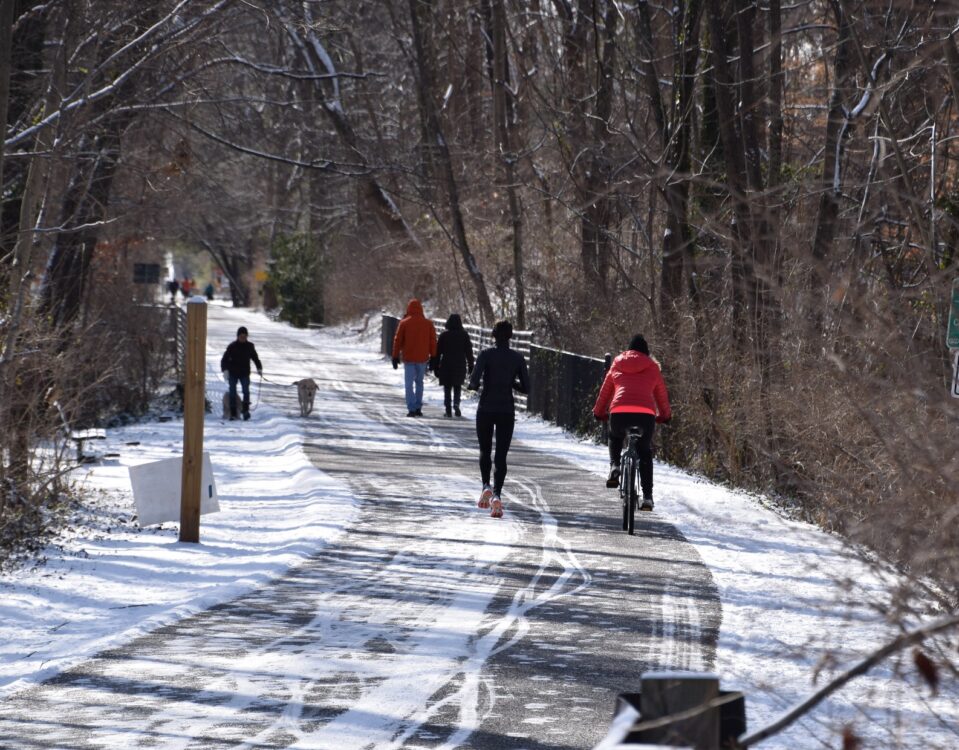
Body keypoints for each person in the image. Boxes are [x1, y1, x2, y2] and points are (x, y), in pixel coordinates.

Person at [592, 334, 671, 511]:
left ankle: (615, 466)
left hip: (619, 413)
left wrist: (598, 412)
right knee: (644, 452)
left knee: (615, 436)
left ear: (628, 350)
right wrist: (665, 415)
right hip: (645, 416)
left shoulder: (618, 363)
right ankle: (648, 497)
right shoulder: (652, 367)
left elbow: (605, 392)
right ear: (646, 352)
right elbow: (661, 396)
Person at [467, 320, 529, 519]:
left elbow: (474, 383)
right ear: (510, 336)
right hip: (506, 411)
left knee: (485, 451)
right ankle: (498, 495)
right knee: (501, 456)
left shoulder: (485, 355)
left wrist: (475, 384)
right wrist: (510, 383)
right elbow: (527, 388)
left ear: (493, 335)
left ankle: (486, 485)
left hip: (485, 408)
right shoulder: (518, 358)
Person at [391, 299, 437, 417]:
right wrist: (434, 356)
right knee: (419, 383)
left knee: (409, 384)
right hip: (422, 358)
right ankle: (418, 407)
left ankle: (411, 408)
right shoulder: (428, 324)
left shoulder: (404, 323)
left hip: (409, 358)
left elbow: (398, 340)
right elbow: (433, 342)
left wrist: (395, 356)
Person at [435, 313, 474, 418]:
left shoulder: (444, 335)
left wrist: (435, 365)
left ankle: (448, 409)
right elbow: (469, 352)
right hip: (460, 364)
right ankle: (456, 404)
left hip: (446, 364)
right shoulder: (464, 335)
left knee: (447, 387)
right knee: (457, 386)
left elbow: (438, 352)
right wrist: (471, 365)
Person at [220, 326, 263, 421]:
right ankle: (233, 413)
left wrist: (259, 368)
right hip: (233, 372)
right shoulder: (232, 347)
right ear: (238, 336)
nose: (243, 338)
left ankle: (246, 411)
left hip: (244, 372)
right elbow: (224, 360)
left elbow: (255, 358)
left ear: (247, 336)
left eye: (244, 336)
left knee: (246, 391)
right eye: (241, 336)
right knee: (232, 392)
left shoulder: (250, 346)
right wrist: (225, 370)